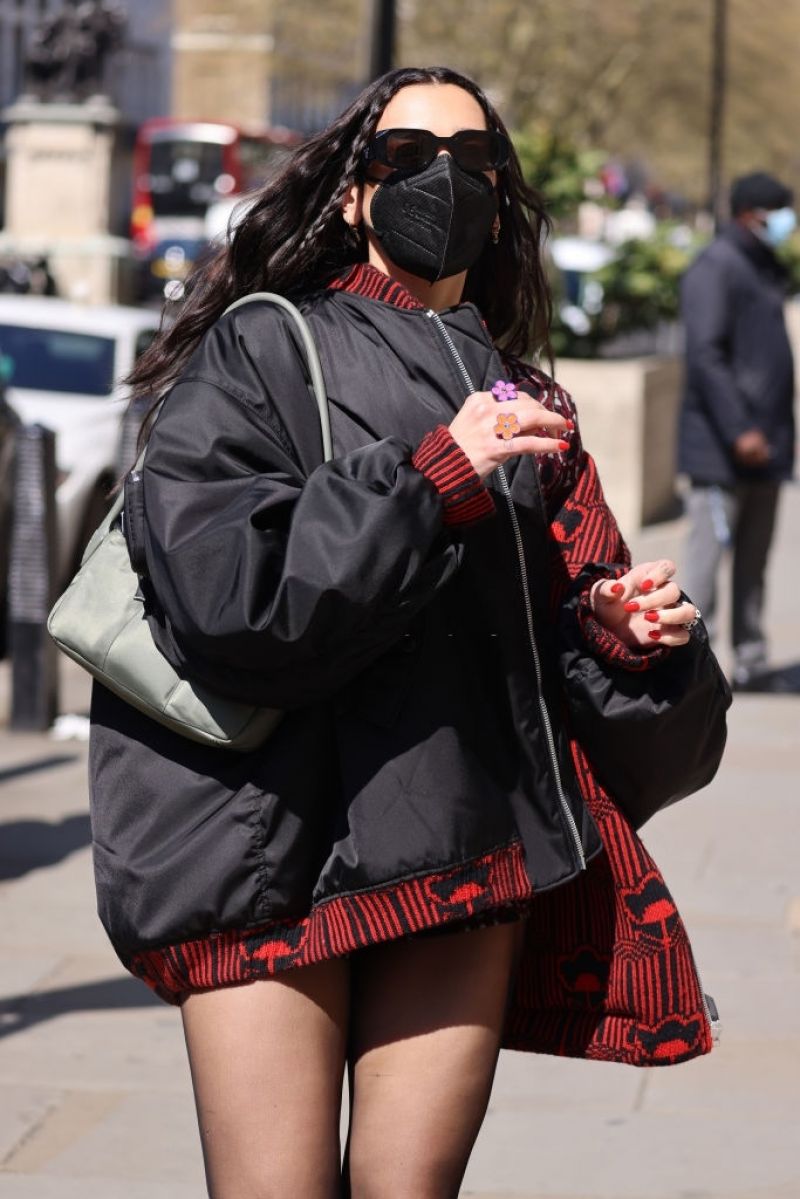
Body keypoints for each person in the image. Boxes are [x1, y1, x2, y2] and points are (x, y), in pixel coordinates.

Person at [90, 67, 715, 1199]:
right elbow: (233, 596)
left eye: (474, 164)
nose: (443, 183)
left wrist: (626, 631)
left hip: (451, 846)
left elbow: (575, 672)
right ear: (350, 193)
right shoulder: (261, 351)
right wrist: (436, 475)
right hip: (263, 846)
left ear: (504, 197)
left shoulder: (526, 399)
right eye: (407, 157)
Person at [679, 171, 796, 692]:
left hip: (766, 447)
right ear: (754, 214)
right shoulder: (717, 266)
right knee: (707, 559)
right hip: (723, 449)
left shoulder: (758, 265)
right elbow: (705, 355)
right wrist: (740, 428)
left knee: (754, 560)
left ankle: (750, 659)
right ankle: (688, 665)